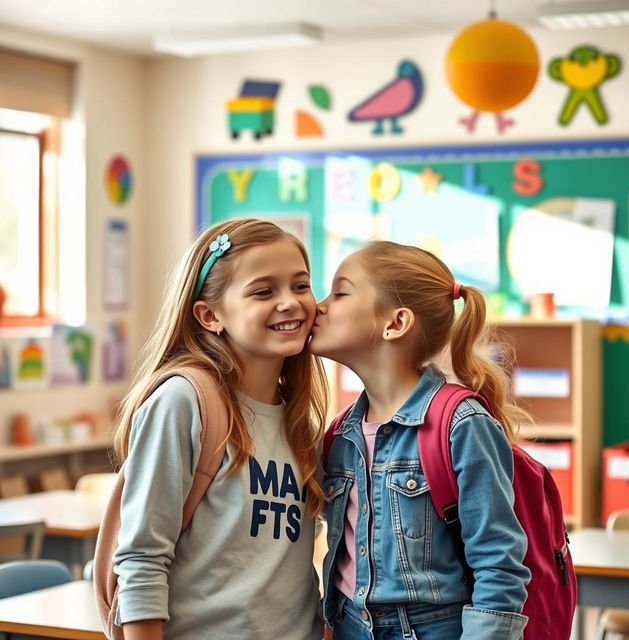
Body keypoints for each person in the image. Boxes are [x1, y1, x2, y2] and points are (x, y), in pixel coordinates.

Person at [111, 218, 328, 640]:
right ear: (210, 315)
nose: (291, 302)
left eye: (300, 286)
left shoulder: (302, 422)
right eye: (264, 291)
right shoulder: (183, 401)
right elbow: (141, 559)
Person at [311, 241, 531, 640]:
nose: (319, 306)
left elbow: (499, 563)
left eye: (340, 292)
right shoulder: (340, 434)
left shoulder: (462, 424)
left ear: (395, 323)